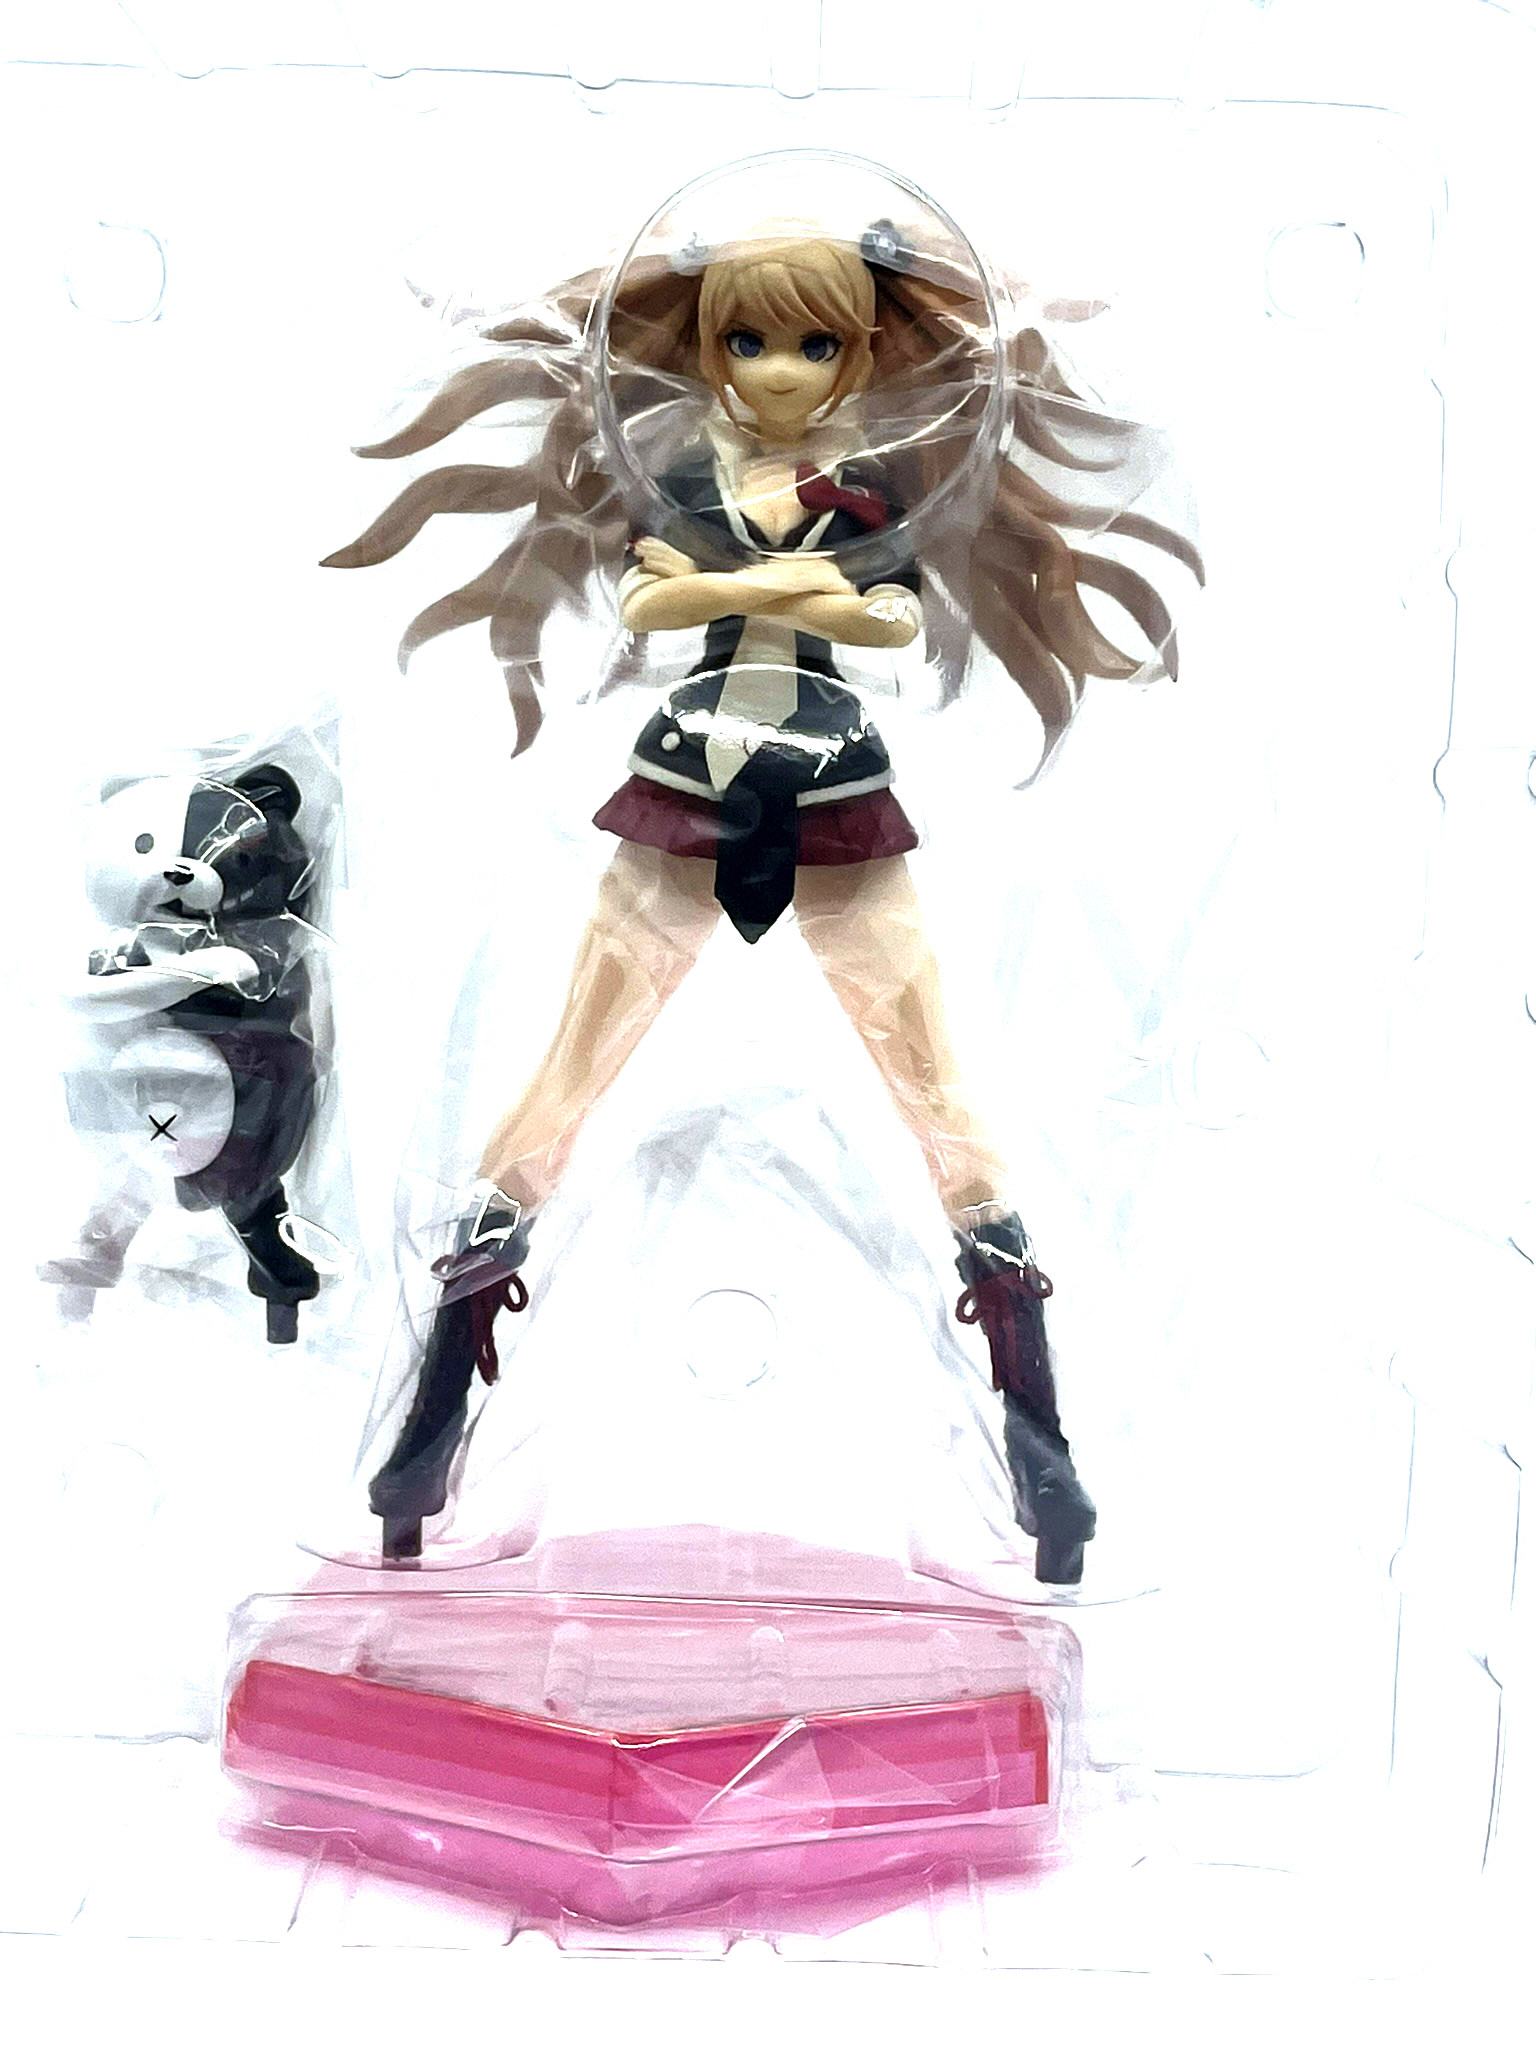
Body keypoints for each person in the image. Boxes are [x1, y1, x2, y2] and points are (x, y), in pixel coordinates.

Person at [327, 191, 1200, 1582]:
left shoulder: (870, 489)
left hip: (838, 794)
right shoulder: (687, 478)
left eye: (815, 346)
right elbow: (656, 605)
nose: (780, 372)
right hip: (684, 792)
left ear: (860, 355)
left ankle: (1044, 1455)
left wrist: (750, 588)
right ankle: (427, 1432)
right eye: (747, 343)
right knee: (560, 1089)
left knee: (942, 1101)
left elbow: (884, 617)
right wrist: (797, 591)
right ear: (707, 349)